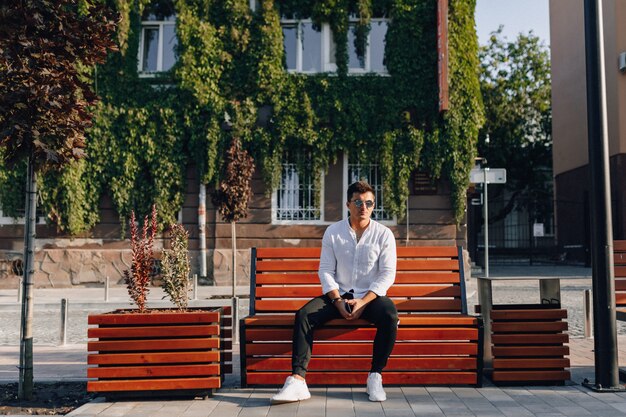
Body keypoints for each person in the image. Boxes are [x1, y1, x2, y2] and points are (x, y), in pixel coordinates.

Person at [271, 180, 398, 404]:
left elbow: (387, 274)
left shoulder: (384, 234)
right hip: (337, 296)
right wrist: (338, 300)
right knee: (304, 315)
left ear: (373, 205)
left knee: (390, 315)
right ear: (348, 204)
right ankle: (298, 381)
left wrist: (364, 301)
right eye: (358, 202)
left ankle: (375, 376)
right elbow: (326, 271)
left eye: (369, 203)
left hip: (369, 297)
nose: (364, 207)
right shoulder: (333, 232)